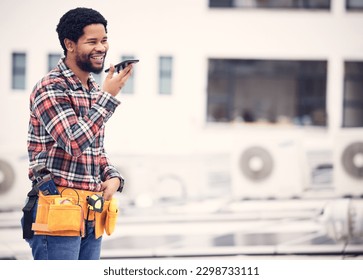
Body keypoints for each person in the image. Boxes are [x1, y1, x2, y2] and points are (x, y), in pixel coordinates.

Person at [21, 7, 133, 260]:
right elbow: (73, 142)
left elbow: (94, 151)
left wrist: (114, 177)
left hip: (92, 212)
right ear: (69, 44)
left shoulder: (93, 88)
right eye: (91, 41)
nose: (101, 48)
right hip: (57, 208)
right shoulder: (51, 87)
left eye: (104, 40)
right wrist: (107, 98)